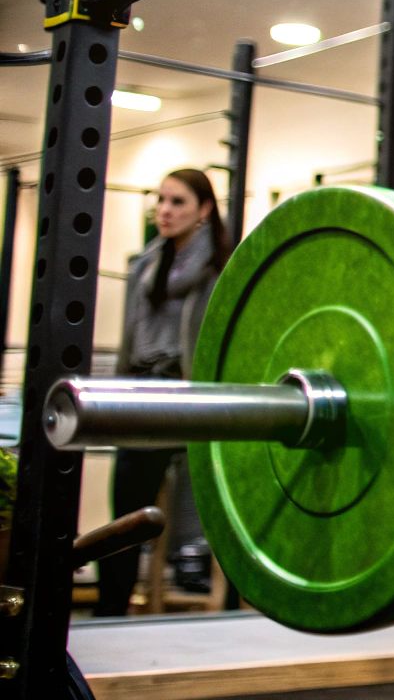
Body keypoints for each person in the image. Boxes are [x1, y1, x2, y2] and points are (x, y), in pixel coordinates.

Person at [94, 169, 230, 617]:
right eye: (161, 200)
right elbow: (132, 339)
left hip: (189, 396)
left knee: (204, 498)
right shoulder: (145, 265)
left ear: (204, 210)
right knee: (125, 507)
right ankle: (111, 607)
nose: (164, 210)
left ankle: (210, 586)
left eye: (177, 202)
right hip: (144, 391)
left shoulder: (219, 269)